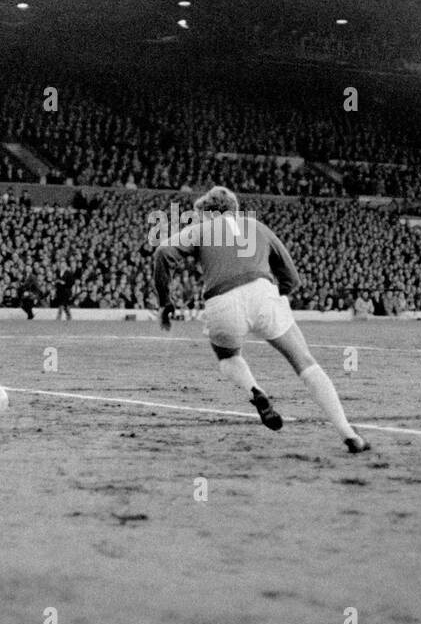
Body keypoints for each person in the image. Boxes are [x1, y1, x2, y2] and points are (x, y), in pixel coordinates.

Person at [152, 186, 369, 453]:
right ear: (234, 209)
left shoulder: (202, 229)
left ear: (208, 213)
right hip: (262, 292)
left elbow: (163, 252)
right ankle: (349, 434)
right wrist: (277, 297)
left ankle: (255, 390)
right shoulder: (257, 226)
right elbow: (291, 276)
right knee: (305, 363)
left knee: (228, 358)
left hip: (221, 302)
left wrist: (166, 302)